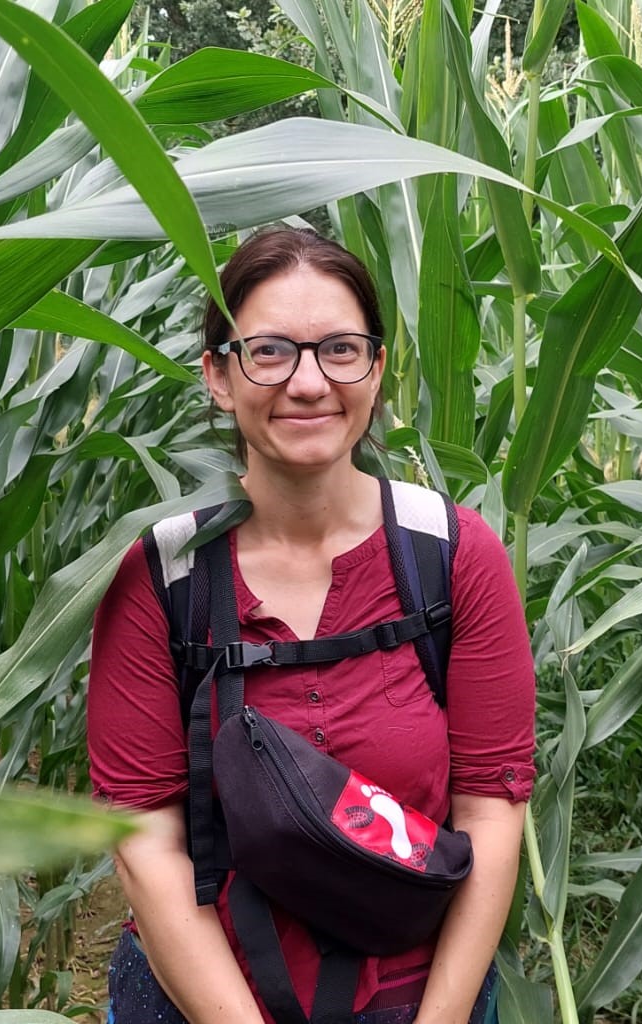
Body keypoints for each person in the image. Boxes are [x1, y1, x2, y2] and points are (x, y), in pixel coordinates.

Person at [89, 228, 536, 1024]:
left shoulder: (453, 557)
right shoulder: (161, 577)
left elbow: (491, 810)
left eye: (339, 349)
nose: (307, 383)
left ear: (376, 368)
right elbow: (145, 840)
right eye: (268, 352)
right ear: (218, 376)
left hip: (419, 1001)